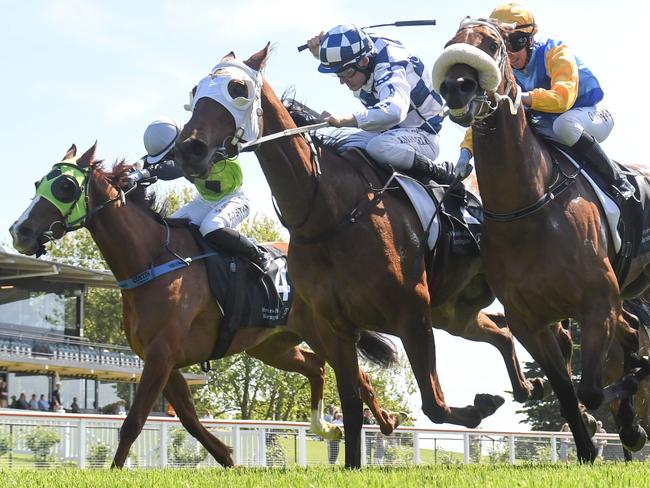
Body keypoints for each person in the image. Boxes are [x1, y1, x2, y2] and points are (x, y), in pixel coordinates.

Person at [456, 3, 634, 200]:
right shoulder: (505, 73)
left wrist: (520, 97)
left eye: (515, 42)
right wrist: (466, 152)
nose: (511, 53)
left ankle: (617, 181)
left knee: (564, 126)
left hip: (589, 114)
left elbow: (562, 98)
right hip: (549, 124)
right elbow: (488, 112)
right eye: (503, 46)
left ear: (530, 39)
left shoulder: (556, 52)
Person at [305, 24, 458, 188]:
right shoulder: (363, 52)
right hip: (390, 132)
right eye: (338, 74)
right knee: (341, 145)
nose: (342, 81)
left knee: (378, 148)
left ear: (364, 61)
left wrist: (346, 119)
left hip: (425, 136)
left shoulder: (390, 65)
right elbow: (348, 40)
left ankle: (440, 172)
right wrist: (324, 53)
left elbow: (394, 111)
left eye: (347, 73)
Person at [125, 118, 269, 271]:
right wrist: (136, 167)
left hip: (234, 199)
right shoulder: (181, 147)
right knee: (167, 231)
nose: (171, 158)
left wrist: (146, 173)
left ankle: (257, 254)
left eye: (171, 154)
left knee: (210, 227)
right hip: (204, 202)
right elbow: (148, 160)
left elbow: (174, 168)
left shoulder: (203, 146)